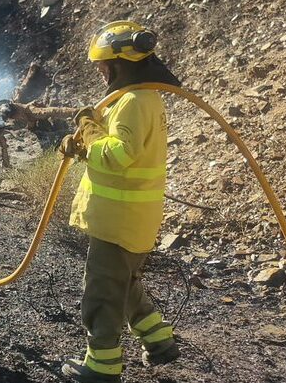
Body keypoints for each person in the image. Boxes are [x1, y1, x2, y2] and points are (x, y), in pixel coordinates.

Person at [57, 20, 183, 382]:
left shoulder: (132, 101)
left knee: (101, 292)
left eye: (103, 64)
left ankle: (102, 366)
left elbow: (116, 154)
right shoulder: (142, 97)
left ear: (121, 63)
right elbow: (115, 147)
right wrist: (81, 142)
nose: (100, 71)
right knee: (123, 283)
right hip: (132, 218)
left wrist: (88, 127)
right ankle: (159, 340)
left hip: (118, 219)